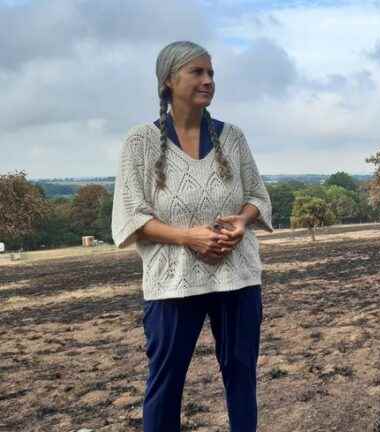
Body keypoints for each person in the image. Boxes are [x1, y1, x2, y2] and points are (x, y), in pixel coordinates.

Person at [111, 40, 273, 432]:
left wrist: (241, 221)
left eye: (211, 73)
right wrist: (188, 238)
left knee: (241, 376)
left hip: (238, 277)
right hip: (172, 283)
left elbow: (256, 195)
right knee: (165, 384)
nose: (208, 80)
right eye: (197, 72)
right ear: (169, 79)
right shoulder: (141, 141)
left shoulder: (231, 136)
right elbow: (132, 216)